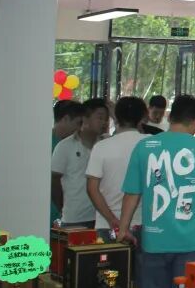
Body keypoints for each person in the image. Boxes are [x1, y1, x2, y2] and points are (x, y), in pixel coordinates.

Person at [117, 94, 195, 288]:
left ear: (171, 117)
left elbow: (132, 193)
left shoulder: (145, 147)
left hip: (154, 241)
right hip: (192, 243)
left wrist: (123, 228)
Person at [87, 96, 147, 240]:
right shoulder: (151, 144)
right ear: (142, 119)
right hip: (144, 223)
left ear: (115, 117)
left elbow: (92, 189)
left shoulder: (101, 147)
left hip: (107, 225)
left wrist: (112, 219)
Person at [52, 98, 109, 227]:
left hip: (102, 217)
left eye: (106, 119)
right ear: (85, 119)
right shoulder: (65, 146)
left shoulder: (106, 144)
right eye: (100, 118)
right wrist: (62, 206)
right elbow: (54, 180)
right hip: (74, 218)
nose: (104, 122)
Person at [52, 100, 85, 225]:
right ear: (65, 119)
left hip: (75, 215)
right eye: (78, 123)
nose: (80, 128)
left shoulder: (80, 144)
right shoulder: (44, 143)